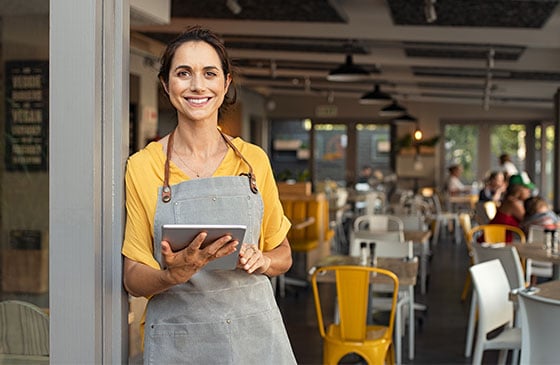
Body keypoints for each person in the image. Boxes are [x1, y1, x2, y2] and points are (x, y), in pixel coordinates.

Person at [121, 26, 296, 364]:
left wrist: (264, 260)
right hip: (180, 341)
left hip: (253, 337)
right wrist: (171, 275)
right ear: (166, 84)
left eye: (209, 73)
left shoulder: (253, 160)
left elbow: (283, 253)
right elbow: (132, 277)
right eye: (183, 73)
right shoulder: (143, 166)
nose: (197, 85)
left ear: (225, 83)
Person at [489, 174, 534, 242]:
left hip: (497, 242)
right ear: (519, 188)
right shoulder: (513, 203)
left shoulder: (508, 200)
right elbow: (530, 220)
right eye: (526, 188)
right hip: (494, 244)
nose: (529, 191)